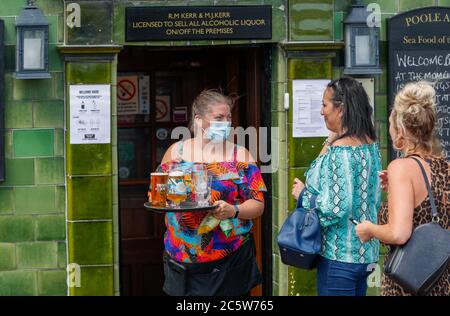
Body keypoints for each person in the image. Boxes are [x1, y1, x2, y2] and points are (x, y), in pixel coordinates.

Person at [156, 89, 267, 296]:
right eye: (218, 118)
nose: (226, 123)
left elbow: (258, 204)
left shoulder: (240, 155)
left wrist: (233, 210)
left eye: (228, 118)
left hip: (229, 259)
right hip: (181, 260)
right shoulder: (175, 153)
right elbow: (159, 195)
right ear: (198, 120)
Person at [355, 81, 449, 296]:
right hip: (440, 282)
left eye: (390, 123)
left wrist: (369, 230)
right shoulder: (446, 167)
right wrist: (395, 190)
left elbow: (399, 233)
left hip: (406, 286)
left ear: (401, 130)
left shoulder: (400, 168)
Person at [291, 77, 382, 296]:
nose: (321, 111)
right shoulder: (370, 145)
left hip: (339, 256)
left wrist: (303, 196)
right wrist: (331, 138)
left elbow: (334, 208)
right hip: (366, 254)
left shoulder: (339, 153)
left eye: (324, 105)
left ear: (340, 109)